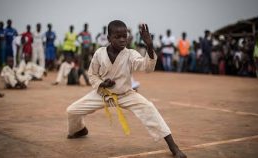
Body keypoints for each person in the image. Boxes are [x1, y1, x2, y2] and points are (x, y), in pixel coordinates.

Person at [66, 20, 187, 158]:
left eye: (125, 36)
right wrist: (102, 83)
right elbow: (92, 74)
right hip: (103, 94)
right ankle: (80, 130)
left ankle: (174, 147)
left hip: (125, 95)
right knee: (72, 110)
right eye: (118, 37)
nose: (122, 40)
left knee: (149, 108)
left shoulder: (130, 54)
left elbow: (146, 67)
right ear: (109, 38)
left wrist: (149, 45)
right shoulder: (99, 53)